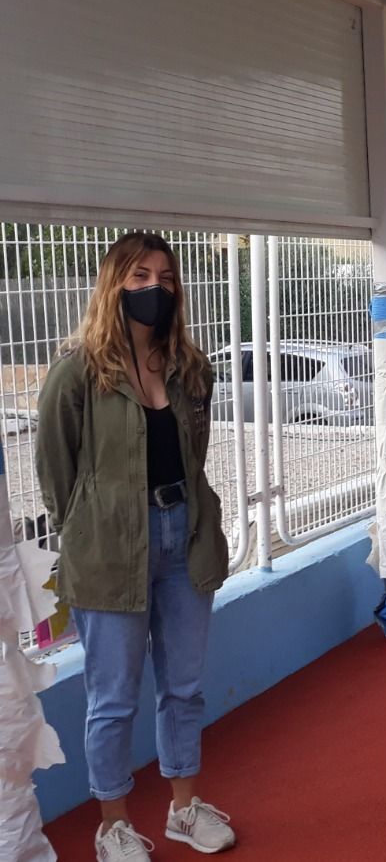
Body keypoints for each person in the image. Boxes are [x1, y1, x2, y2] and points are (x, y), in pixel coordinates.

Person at [36, 233, 237, 860]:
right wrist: (95, 522)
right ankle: (114, 825)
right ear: (113, 285)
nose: (155, 287)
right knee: (114, 695)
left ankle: (184, 809)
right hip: (107, 550)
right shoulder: (77, 373)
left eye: (166, 276)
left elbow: (193, 456)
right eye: (140, 275)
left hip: (184, 535)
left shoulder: (188, 368)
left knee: (184, 686)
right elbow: (55, 473)